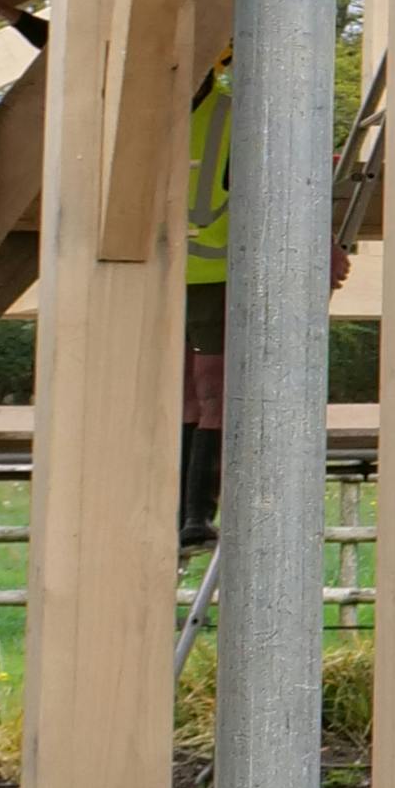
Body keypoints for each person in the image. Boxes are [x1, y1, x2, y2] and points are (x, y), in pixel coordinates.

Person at [178, 67, 229, 548]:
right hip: (183, 277)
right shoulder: (226, 116)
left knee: (206, 396)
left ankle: (192, 516)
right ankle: (188, 516)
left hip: (200, 277)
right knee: (196, 398)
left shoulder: (231, 117)